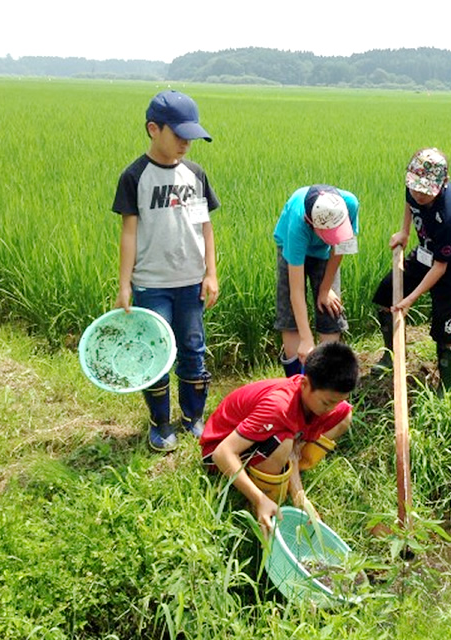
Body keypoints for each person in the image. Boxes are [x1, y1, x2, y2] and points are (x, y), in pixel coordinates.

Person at [112, 90, 220, 452]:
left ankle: (193, 418)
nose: (187, 144)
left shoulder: (196, 174)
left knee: (193, 349)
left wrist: (211, 273)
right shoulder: (135, 176)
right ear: (153, 129)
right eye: (179, 135)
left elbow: (206, 227)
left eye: (192, 137)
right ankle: (160, 423)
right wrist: (124, 283)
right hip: (151, 283)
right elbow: (129, 233)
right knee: (155, 352)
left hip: (190, 281)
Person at [199, 342, 359, 534]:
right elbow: (222, 453)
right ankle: (264, 502)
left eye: (337, 401)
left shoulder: (319, 404)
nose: (331, 408)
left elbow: (297, 441)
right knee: (282, 443)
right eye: (326, 402)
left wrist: (300, 496)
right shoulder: (278, 408)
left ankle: (290, 473)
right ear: (305, 384)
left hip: (263, 438)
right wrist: (259, 498)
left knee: (343, 417)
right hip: (220, 450)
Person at [371, 148, 451, 390]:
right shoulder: (414, 186)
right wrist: (405, 231)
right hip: (428, 251)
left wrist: (410, 299)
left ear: (444, 183)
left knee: (445, 326)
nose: (419, 194)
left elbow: (440, 268)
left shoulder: (450, 214)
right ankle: (392, 355)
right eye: (415, 186)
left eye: (426, 190)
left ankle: (450, 387)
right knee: (387, 293)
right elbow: (410, 202)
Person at [273, 185, 360, 377]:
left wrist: (325, 288)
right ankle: (296, 381)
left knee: (331, 307)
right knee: (290, 313)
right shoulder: (297, 225)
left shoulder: (350, 204)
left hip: (324, 255)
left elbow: (340, 247)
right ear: (310, 223)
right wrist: (306, 339)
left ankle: (329, 378)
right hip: (291, 248)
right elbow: (296, 291)